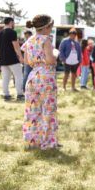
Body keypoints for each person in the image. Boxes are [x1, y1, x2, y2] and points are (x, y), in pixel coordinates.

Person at [22, 14, 59, 149]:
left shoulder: (29, 40)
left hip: (32, 76)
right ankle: (48, 143)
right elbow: (50, 60)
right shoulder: (45, 40)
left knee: (32, 110)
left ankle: (32, 141)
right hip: (46, 75)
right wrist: (56, 52)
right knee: (48, 109)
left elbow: (26, 61)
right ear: (47, 27)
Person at [0, 17, 25, 101]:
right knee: (18, 76)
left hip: (3, 58)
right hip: (12, 58)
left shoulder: (0, 32)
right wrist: (20, 56)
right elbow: (16, 45)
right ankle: (20, 94)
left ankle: (6, 94)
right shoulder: (12, 32)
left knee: (5, 77)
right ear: (11, 22)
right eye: (13, 23)